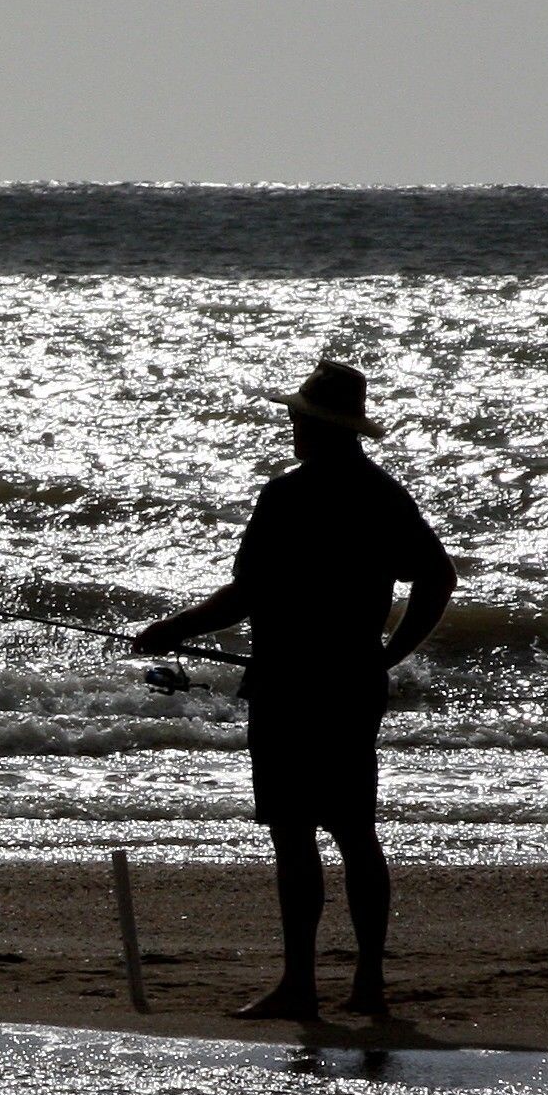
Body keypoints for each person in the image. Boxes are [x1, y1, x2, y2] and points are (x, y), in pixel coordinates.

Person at [131, 358, 456, 1022]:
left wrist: (173, 628)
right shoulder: (381, 494)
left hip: (288, 683)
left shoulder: (288, 495)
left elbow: (247, 595)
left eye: (295, 420)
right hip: (352, 680)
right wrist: (389, 654)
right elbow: (436, 578)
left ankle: (300, 984)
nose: (290, 429)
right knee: (355, 832)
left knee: (292, 833)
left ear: (312, 425)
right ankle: (367, 984)